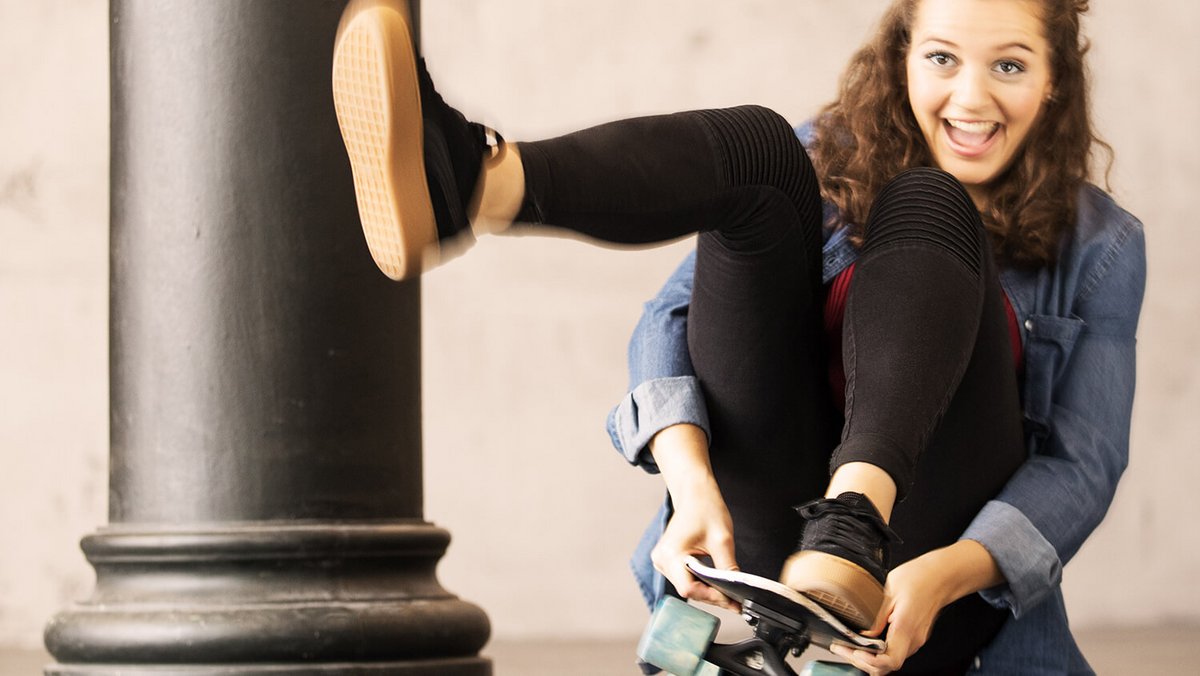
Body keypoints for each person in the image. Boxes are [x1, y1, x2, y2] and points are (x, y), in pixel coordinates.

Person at [331, 0, 1145, 673]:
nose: (970, 97)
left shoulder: (1102, 245)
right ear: (902, 58)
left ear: (1054, 82)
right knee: (762, 152)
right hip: (771, 544)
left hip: (927, 593)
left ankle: (855, 521)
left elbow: (1083, 465)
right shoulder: (825, 161)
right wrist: (689, 484)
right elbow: (671, 320)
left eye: (1008, 65)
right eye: (941, 58)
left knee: (931, 205)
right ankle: (469, 179)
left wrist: (939, 577)